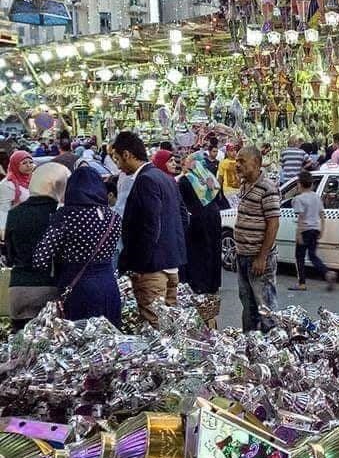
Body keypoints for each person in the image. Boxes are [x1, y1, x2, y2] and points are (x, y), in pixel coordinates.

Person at [111, 132, 188, 327]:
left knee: (155, 326)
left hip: (153, 269)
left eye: (117, 159)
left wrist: (140, 265)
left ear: (127, 154)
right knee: (169, 325)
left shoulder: (146, 180)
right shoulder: (165, 177)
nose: (118, 166)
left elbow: (150, 226)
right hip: (171, 263)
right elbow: (182, 217)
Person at [33, 166, 122, 327]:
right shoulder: (114, 217)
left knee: (80, 337)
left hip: (77, 288)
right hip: (108, 285)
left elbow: (41, 258)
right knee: (109, 337)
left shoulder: (66, 215)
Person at [4, 163, 69, 329]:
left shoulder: (14, 213)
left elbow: (10, 255)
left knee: (20, 341)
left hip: (19, 288)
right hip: (50, 288)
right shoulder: (60, 215)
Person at [234, 145, 280, 332]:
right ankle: (250, 341)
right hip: (243, 256)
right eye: (237, 161)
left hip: (258, 258)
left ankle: (273, 342)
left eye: (242, 161)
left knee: (265, 307)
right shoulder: (245, 184)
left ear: (256, 163)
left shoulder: (267, 188)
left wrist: (262, 257)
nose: (237, 165)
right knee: (248, 305)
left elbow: (273, 224)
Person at [178, 152, 227, 296]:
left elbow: (182, 202)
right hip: (214, 216)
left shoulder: (186, 180)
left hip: (197, 219)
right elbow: (218, 196)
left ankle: (200, 283)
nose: (185, 164)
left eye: (187, 161)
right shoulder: (209, 177)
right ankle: (213, 283)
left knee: (198, 251)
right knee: (214, 247)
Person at [289, 170, 336, 292]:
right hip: (315, 229)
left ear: (299, 184)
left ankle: (302, 283)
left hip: (304, 230)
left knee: (299, 257)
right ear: (311, 184)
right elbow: (322, 215)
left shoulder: (299, 199)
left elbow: (301, 217)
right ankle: (327, 273)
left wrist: (298, 233)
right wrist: (322, 229)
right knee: (312, 255)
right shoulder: (316, 197)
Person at [0, 150, 34, 239]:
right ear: (15, 164)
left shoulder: (35, 178)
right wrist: (3, 232)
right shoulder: (7, 184)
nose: (28, 165)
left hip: (35, 225)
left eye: (31, 162)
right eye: (24, 163)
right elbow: (3, 210)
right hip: (17, 229)